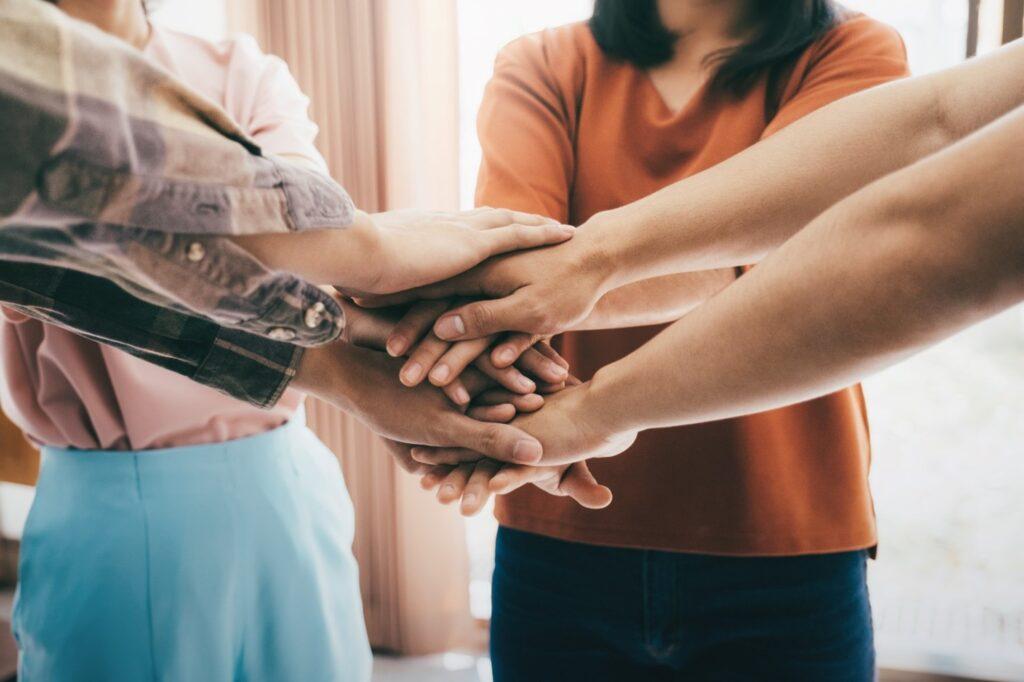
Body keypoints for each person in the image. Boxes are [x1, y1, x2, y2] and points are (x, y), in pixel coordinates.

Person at [0, 1, 575, 679]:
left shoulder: (238, 69)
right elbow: (323, 251)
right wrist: (371, 262)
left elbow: (307, 263)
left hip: (284, 477)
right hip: (115, 502)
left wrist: (394, 313)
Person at [374, 1, 909, 679]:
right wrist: (492, 307)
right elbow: (510, 264)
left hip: (783, 536)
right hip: (558, 528)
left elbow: (813, 251)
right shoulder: (544, 61)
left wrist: (533, 295)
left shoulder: (851, 51)